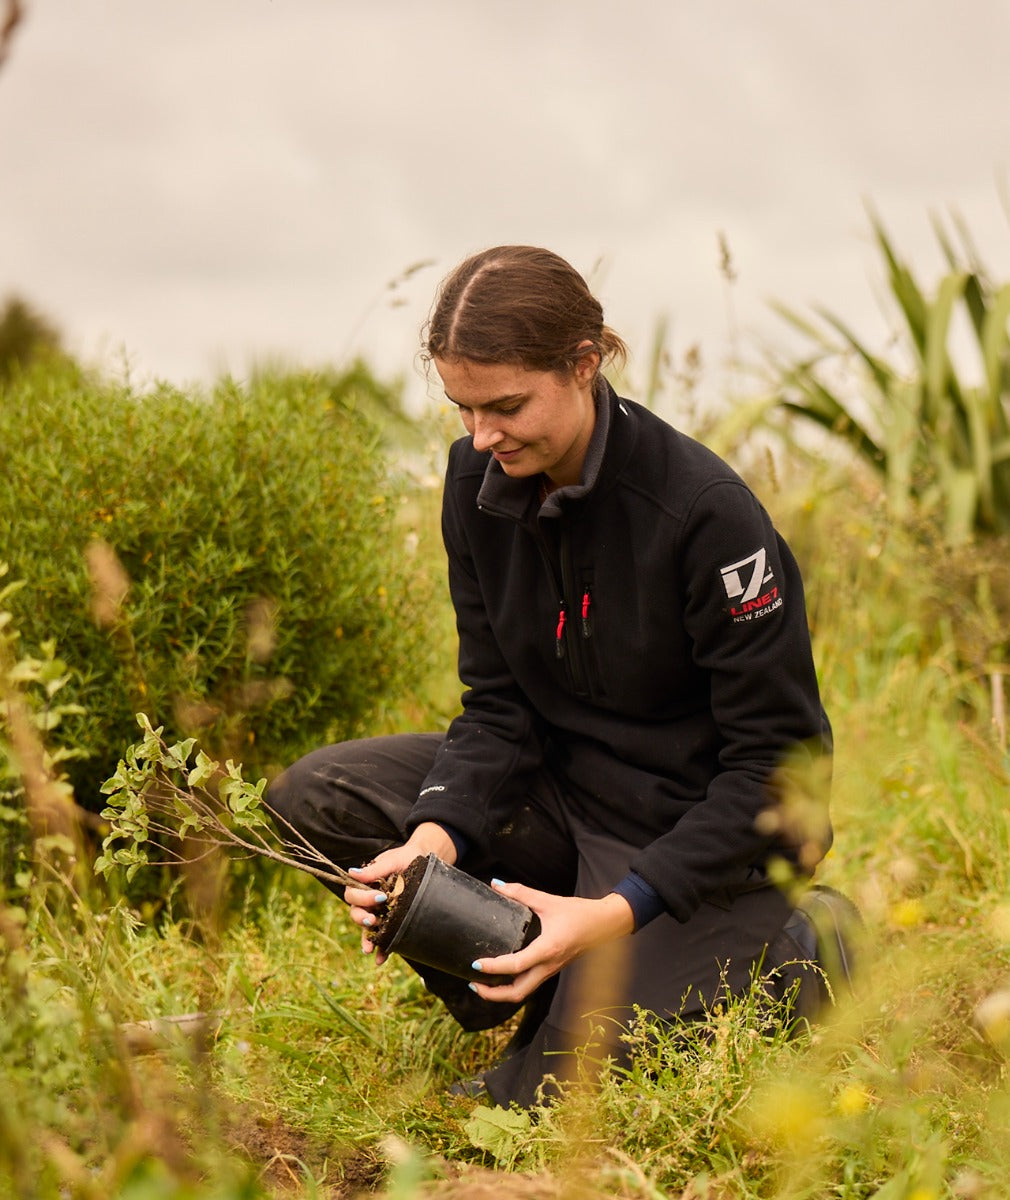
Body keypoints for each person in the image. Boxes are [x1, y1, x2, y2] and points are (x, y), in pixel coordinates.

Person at [267, 245, 840, 1109]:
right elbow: (497, 705)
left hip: (696, 836)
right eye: (462, 408)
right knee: (318, 798)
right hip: (565, 801)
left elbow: (779, 771)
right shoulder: (477, 480)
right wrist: (433, 845)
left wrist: (618, 909)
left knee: (539, 1102)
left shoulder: (705, 515)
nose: (481, 437)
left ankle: (807, 943)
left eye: (505, 406)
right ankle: (534, 979)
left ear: (584, 365)